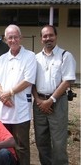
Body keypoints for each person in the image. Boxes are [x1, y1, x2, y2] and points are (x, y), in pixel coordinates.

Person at [0, 24, 37, 165]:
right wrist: (3, 96)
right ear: (5, 39)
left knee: (21, 145)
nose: (13, 40)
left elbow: (28, 80)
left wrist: (9, 93)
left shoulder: (30, 56)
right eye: (9, 37)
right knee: (4, 143)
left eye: (15, 37)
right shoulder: (2, 58)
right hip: (3, 107)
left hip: (20, 108)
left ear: (21, 38)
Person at [32, 25, 76, 165]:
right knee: (41, 140)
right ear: (41, 39)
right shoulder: (35, 58)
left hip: (58, 103)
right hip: (39, 104)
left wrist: (50, 100)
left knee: (58, 142)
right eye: (45, 36)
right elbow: (31, 82)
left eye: (51, 35)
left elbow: (67, 81)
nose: (48, 38)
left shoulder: (65, 56)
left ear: (56, 36)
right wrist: (39, 100)